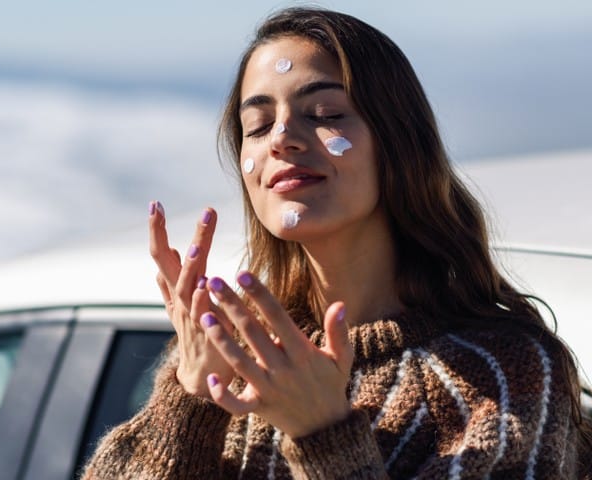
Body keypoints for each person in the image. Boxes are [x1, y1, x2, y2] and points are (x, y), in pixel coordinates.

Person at [81, 7, 590, 479]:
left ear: (400, 143)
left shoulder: (501, 372)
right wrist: (189, 396)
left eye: (324, 113)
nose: (281, 137)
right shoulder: (233, 354)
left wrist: (324, 437)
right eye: (256, 125)